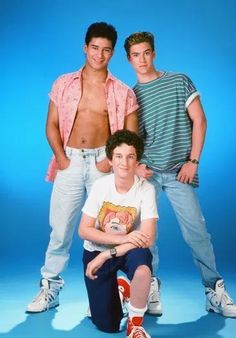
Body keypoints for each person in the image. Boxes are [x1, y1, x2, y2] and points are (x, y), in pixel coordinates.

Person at [26, 22, 139, 313]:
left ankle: (104, 295)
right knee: (61, 228)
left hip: (105, 163)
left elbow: (131, 136)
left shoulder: (123, 91)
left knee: (106, 230)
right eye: (94, 48)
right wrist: (62, 157)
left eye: (106, 50)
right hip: (71, 160)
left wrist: (110, 160)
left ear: (113, 53)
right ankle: (50, 287)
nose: (99, 55)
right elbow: (51, 124)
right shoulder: (63, 83)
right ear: (84, 47)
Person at [123, 31, 236, 318]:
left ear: (154, 53)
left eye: (147, 52)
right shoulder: (132, 96)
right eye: (136, 55)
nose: (142, 59)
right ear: (128, 59)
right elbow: (134, 139)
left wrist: (193, 161)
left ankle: (214, 291)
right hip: (147, 174)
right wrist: (136, 166)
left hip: (178, 172)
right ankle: (150, 289)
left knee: (197, 232)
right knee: (146, 236)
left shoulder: (179, 81)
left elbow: (200, 120)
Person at [78, 129, 158, 338]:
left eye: (130, 156)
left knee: (142, 269)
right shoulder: (100, 186)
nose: (124, 162)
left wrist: (109, 253)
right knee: (107, 325)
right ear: (111, 160)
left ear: (137, 160)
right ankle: (122, 289)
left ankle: (135, 325)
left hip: (128, 250)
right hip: (97, 250)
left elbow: (148, 237)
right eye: (119, 156)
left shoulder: (146, 189)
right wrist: (121, 239)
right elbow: (83, 230)